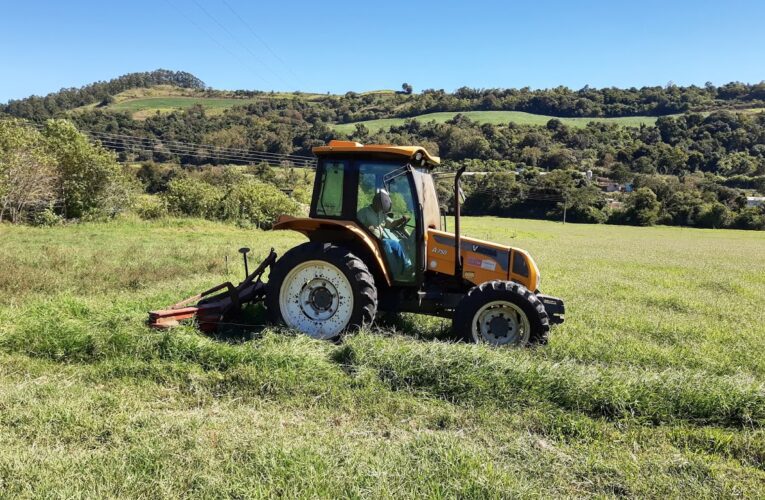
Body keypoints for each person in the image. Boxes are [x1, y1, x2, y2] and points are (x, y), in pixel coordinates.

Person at [357, 189, 412, 277]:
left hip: (380, 240)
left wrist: (402, 219)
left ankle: (406, 268)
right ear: (376, 202)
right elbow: (356, 227)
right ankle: (392, 274)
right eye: (381, 205)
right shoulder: (364, 212)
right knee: (386, 243)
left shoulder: (381, 214)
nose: (382, 208)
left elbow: (391, 223)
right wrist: (367, 229)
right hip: (370, 241)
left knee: (396, 244)